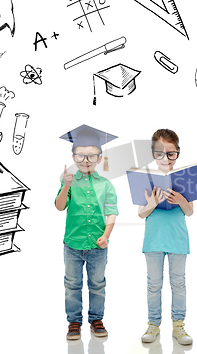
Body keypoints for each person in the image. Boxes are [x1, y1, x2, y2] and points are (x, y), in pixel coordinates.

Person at [55, 125, 119, 340]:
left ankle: (96, 319)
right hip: (73, 244)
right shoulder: (69, 182)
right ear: (74, 157)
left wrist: (106, 235)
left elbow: (111, 213)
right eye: (81, 155)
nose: (86, 160)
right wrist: (65, 186)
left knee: (97, 284)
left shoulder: (106, 185)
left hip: (98, 245)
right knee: (72, 284)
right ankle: (74, 322)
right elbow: (59, 206)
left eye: (91, 156)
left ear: (99, 158)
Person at [138, 129, 194, 345]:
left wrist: (180, 199)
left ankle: (179, 326)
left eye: (171, 154)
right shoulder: (146, 179)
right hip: (153, 240)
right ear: (153, 154)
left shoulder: (186, 178)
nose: (166, 158)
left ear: (178, 153)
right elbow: (141, 213)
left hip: (178, 239)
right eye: (160, 154)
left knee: (178, 283)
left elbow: (189, 212)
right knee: (154, 284)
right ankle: (153, 324)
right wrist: (151, 204)